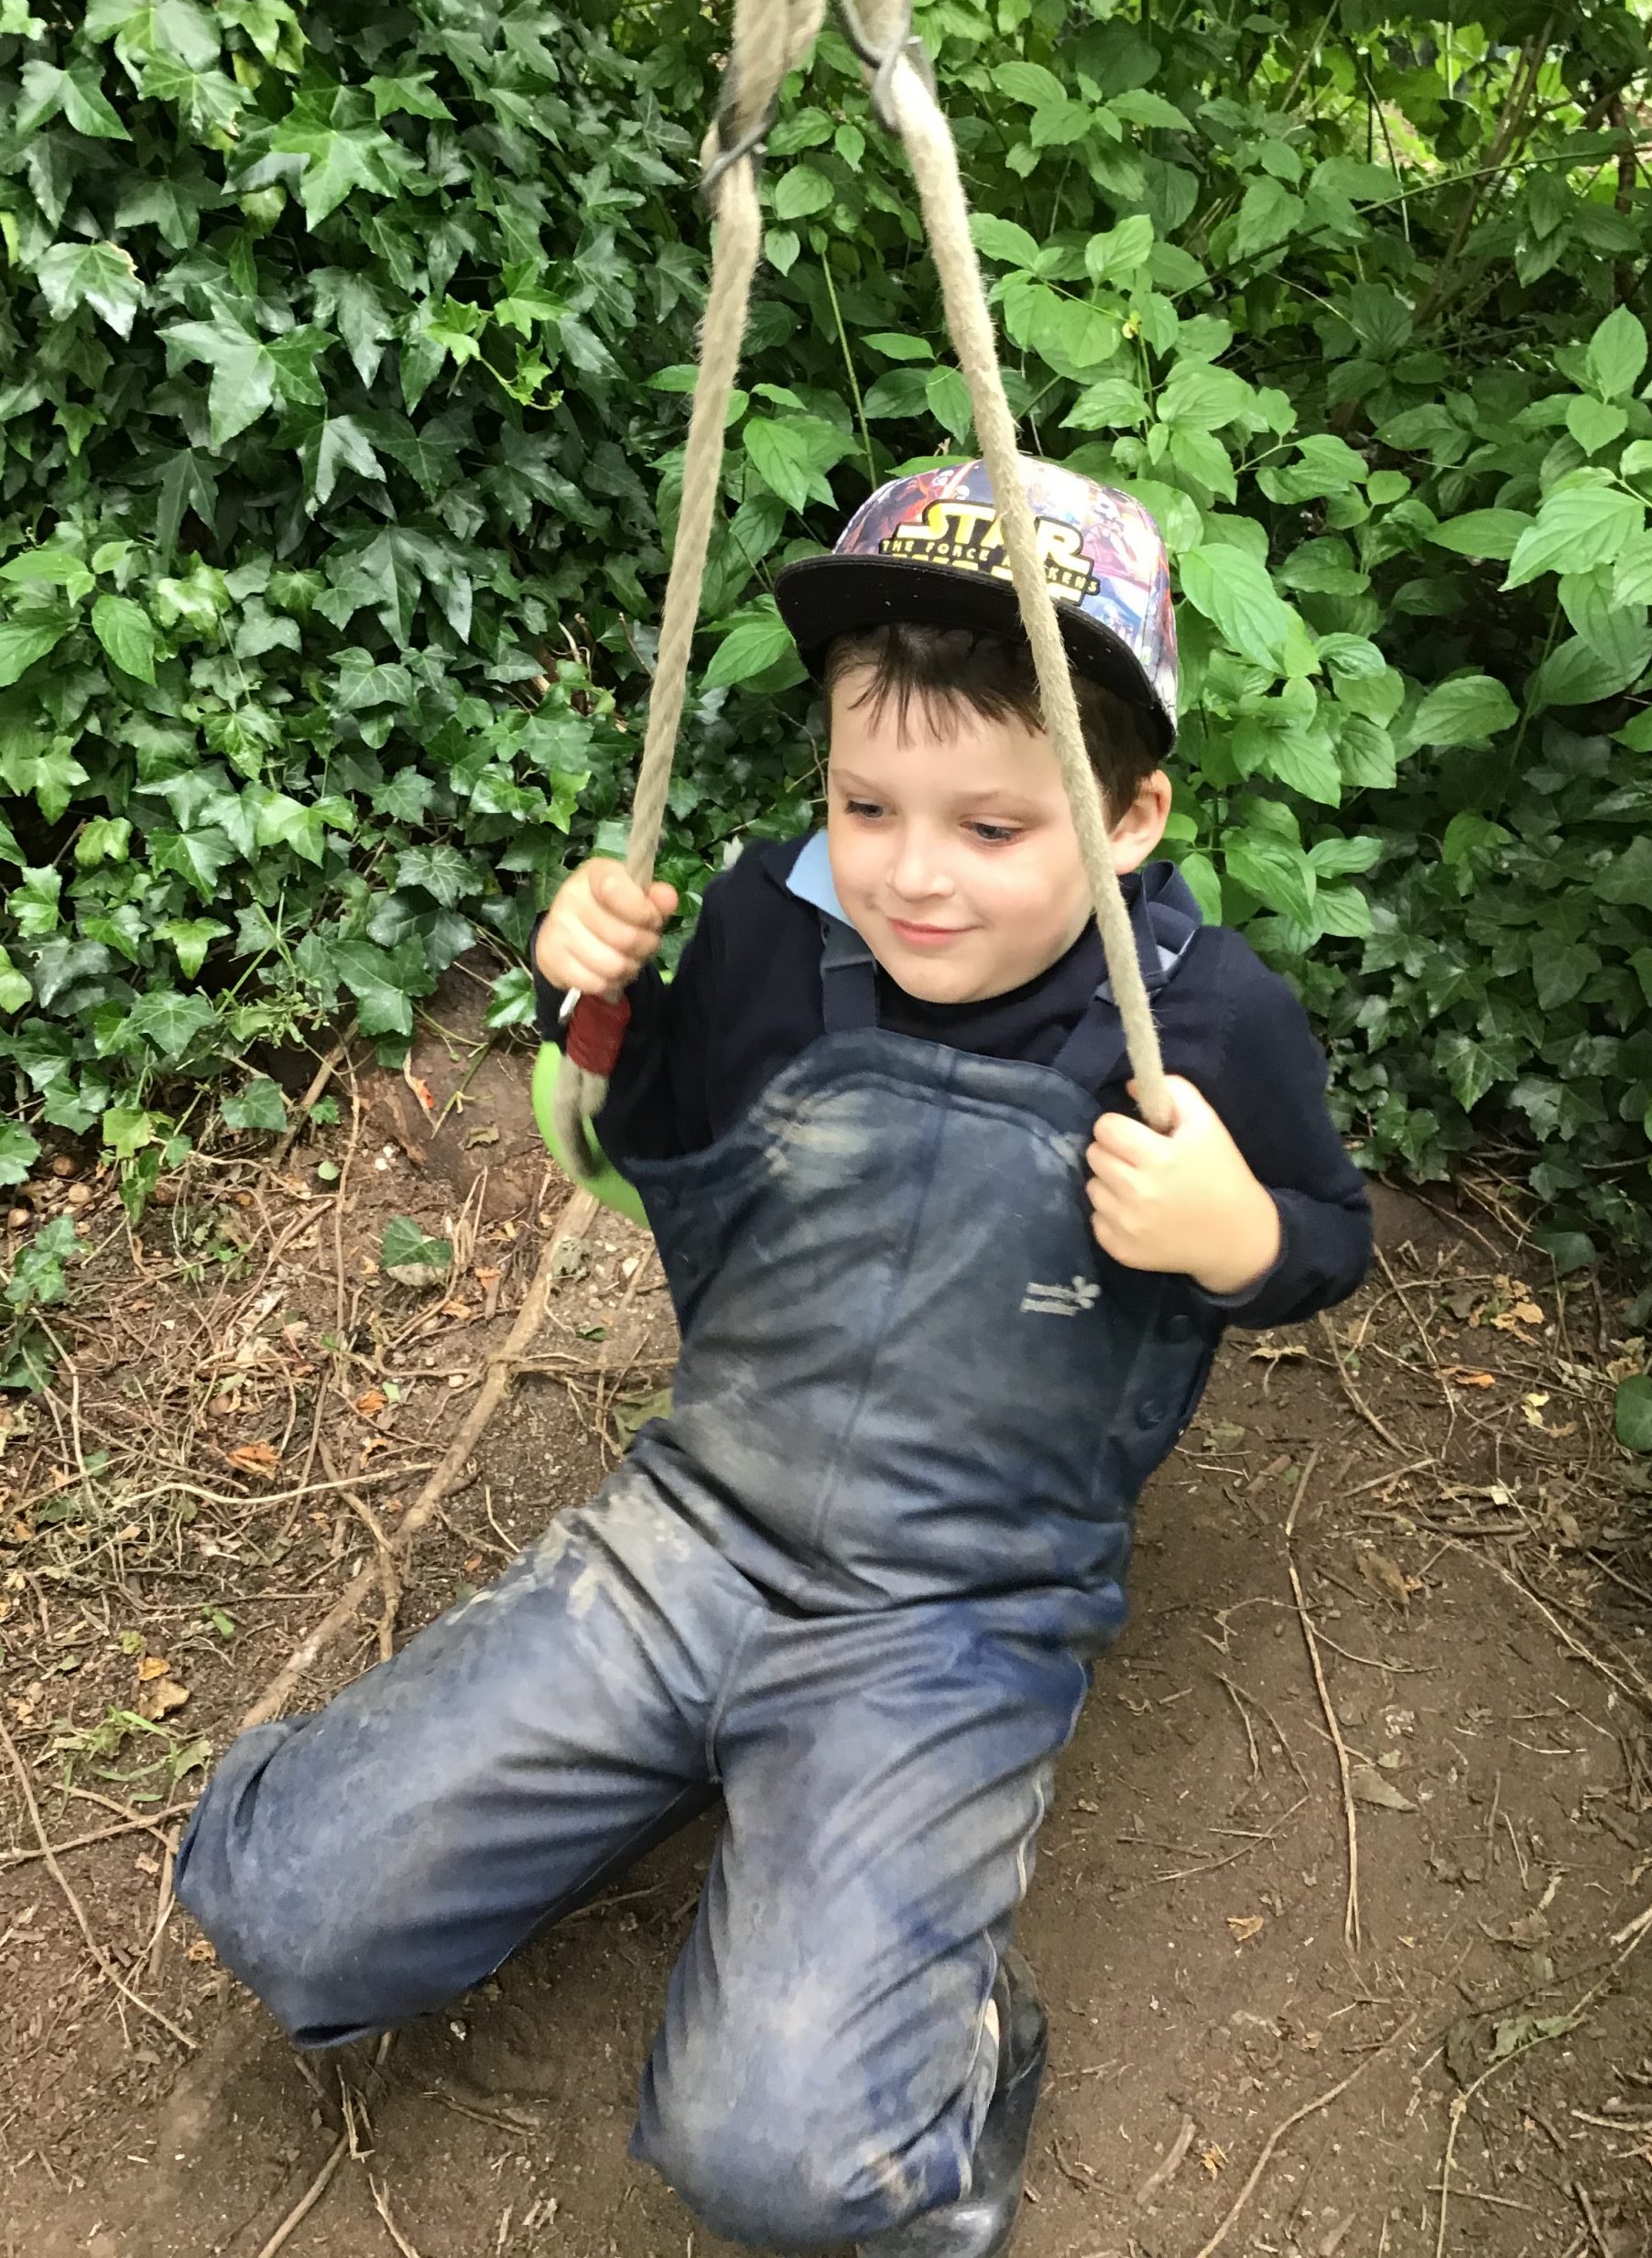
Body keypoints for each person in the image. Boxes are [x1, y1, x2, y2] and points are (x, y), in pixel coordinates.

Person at [175, 458, 1372, 2257]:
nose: (910, 873)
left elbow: (1325, 1245)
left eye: (993, 828)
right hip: (694, 1529)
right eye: (864, 802)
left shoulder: (1202, 1019)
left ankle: (937, 2028)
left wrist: (1237, 1234)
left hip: (954, 1607)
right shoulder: (770, 925)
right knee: (282, 1896)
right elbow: (639, 1134)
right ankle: (654, 1768)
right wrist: (588, 998)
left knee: (783, 2157)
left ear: (1131, 818)